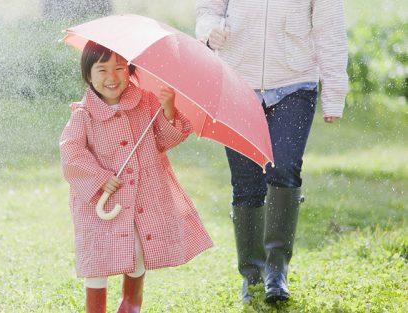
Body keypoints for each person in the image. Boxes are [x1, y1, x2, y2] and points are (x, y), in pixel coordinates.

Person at [196, 0, 348, 304]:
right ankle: (252, 274)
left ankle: (276, 269)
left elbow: (329, 29)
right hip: (237, 81)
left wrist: (334, 92)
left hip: (295, 83)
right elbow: (207, 10)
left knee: (284, 167)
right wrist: (209, 31)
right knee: (247, 182)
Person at [59, 41, 213, 313]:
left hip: (141, 196)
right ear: (88, 74)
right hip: (100, 204)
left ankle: (131, 303)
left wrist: (167, 109)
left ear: (129, 70)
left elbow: (164, 140)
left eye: (119, 68)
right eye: (102, 69)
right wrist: (98, 177)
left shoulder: (146, 102)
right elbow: (71, 154)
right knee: (98, 258)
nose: (112, 77)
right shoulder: (83, 115)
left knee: (139, 249)